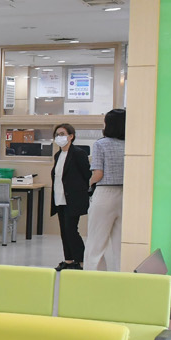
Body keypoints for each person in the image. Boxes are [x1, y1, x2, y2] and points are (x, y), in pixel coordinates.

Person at [86, 108, 126, 271]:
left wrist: (87, 183)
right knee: (121, 241)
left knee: (96, 241)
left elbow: (98, 174)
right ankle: (123, 274)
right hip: (126, 194)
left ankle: (94, 276)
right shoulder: (130, 144)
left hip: (105, 194)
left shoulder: (100, 144)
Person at [49, 121, 91, 271]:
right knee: (64, 230)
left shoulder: (78, 153)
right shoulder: (58, 155)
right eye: (57, 135)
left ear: (71, 136)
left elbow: (86, 175)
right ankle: (68, 260)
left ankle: (81, 260)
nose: (59, 137)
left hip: (73, 198)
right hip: (59, 197)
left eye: (62, 134)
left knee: (71, 229)